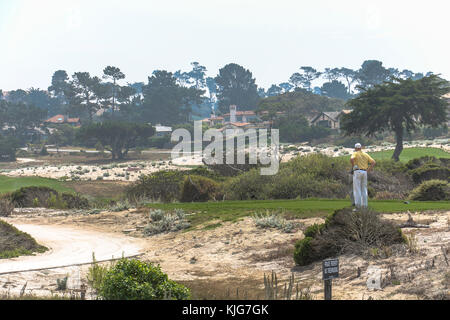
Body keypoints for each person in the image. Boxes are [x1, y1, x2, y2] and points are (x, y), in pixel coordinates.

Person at [350, 143, 376, 209]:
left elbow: (352, 159)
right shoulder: (365, 154)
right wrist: (368, 170)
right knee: (364, 189)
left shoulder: (355, 153)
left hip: (357, 171)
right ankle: (365, 206)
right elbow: (373, 162)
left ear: (355, 148)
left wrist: (353, 166)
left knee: (357, 189)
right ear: (361, 148)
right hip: (364, 172)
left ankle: (358, 206)